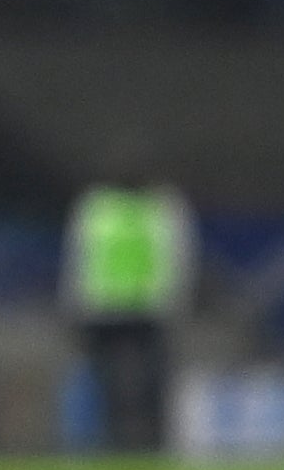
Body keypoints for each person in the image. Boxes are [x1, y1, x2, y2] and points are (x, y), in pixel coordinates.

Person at [60, 169, 195, 455]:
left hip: (142, 307)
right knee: (111, 383)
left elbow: (178, 257)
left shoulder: (156, 206)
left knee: (150, 381)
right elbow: (80, 257)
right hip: (108, 307)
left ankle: (151, 441)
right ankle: (116, 441)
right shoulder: (104, 206)